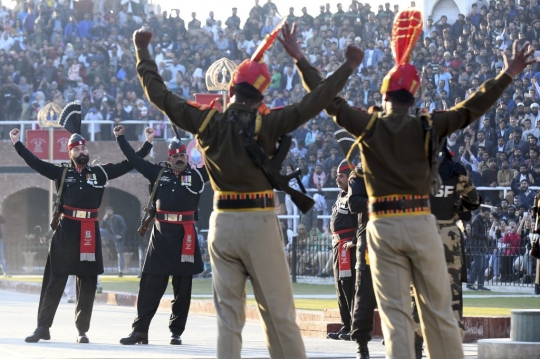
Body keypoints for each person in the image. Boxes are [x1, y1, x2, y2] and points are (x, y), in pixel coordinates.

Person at [279, 9, 534, 358]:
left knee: (396, 316)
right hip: (421, 222)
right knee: (439, 312)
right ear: (415, 97)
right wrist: (508, 74)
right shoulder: (429, 126)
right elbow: (472, 107)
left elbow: (329, 101)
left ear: (384, 95)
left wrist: (301, 59)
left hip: (382, 227)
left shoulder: (368, 126)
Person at [133, 21, 362, 358]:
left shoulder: (206, 122)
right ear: (262, 96)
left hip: (222, 222)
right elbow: (316, 101)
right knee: (279, 315)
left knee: (228, 320)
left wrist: (143, 52)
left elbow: (160, 95)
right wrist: (344, 67)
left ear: (230, 91)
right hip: (259, 220)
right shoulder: (268, 123)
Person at [9, 101, 153, 344]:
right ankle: (43, 327)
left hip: (90, 231)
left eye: (84, 147)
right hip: (66, 231)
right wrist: (17, 144)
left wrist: (147, 143)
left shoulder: (100, 173)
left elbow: (130, 164)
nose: (81, 151)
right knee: (55, 281)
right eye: (76, 149)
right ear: (70, 152)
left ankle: (82, 330)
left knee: (87, 284)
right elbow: (37, 163)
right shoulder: (62, 173)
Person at [115, 126, 208, 346]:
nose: (179, 159)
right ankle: (140, 331)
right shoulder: (158, 173)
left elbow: (218, 161)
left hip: (185, 236)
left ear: (187, 156)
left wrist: (207, 139)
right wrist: (121, 139)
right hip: (160, 237)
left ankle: (176, 332)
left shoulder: (196, 176)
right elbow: (134, 160)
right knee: (149, 286)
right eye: (174, 156)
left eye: (182, 155)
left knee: (182, 289)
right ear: (169, 158)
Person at [413, 144, 480, 358]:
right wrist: (457, 209)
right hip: (449, 235)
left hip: (422, 232)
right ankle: (451, 347)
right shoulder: (457, 170)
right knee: (453, 292)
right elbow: (474, 201)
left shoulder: (415, 169)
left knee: (418, 291)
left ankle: (415, 345)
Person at [326, 159, 358, 342]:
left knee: (349, 286)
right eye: (337, 175)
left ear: (350, 178)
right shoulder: (341, 195)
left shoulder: (355, 197)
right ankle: (345, 324)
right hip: (337, 245)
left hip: (348, 247)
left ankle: (353, 326)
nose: (337, 179)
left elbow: (362, 222)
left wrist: (354, 241)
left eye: (341, 176)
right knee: (340, 287)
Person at [100, 206, 127, 277]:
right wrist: (103, 219)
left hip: (118, 236)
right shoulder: (106, 219)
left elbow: (123, 227)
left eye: (110, 211)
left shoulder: (118, 218)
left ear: (113, 212)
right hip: (111, 235)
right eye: (107, 211)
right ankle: (105, 241)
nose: (108, 213)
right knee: (100, 230)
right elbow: (101, 227)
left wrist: (120, 235)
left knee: (120, 253)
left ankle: (120, 270)